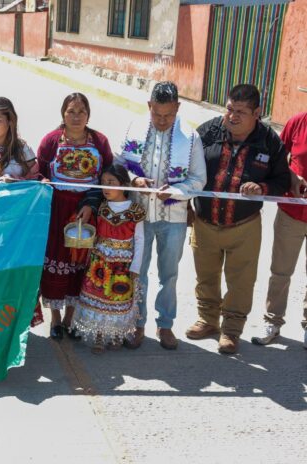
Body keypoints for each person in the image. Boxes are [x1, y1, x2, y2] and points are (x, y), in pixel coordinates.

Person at [186, 84, 290, 354]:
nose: (232, 116)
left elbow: (281, 180)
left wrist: (262, 188)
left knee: (241, 282)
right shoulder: (208, 132)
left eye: (241, 112)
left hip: (245, 226)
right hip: (204, 222)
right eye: (229, 109)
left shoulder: (270, 141)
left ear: (257, 113)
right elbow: (186, 170)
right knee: (205, 276)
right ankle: (207, 320)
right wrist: (185, 205)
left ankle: (231, 330)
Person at [118, 82, 206, 350]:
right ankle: (137, 323)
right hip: (139, 215)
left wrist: (176, 191)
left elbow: (198, 179)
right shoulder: (134, 128)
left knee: (169, 274)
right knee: (138, 271)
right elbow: (119, 165)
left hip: (174, 217)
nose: (162, 120)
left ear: (178, 108)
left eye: (168, 115)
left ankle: (165, 324)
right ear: (149, 106)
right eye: (157, 114)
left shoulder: (190, 138)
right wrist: (134, 180)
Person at [37, 93, 113, 340]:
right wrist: (44, 183)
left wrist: (91, 204)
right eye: (71, 111)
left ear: (88, 115)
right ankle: (55, 318)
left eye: (82, 111)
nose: (76, 116)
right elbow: (38, 172)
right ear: (63, 113)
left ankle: (71, 318)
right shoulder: (51, 141)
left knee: (79, 264)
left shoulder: (100, 142)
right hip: (57, 211)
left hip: (86, 212)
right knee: (55, 262)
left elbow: (107, 178)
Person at [72, 164, 146, 354]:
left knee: (118, 300)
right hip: (100, 262)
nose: (106, 187)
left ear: (124, 184)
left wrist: (136, 267)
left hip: (122, 264)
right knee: (99, 297)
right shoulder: (102, 207)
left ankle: (116, 335)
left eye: (111, 182)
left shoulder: (135, 210)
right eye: (103, 182)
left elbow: (139, 240)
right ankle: (99, 335)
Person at [251, 111, 307, 349]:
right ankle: (272, 321)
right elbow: (278, 157)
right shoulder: (298, 122)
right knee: (280, 272)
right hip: (291, 211)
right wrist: (293, 176)